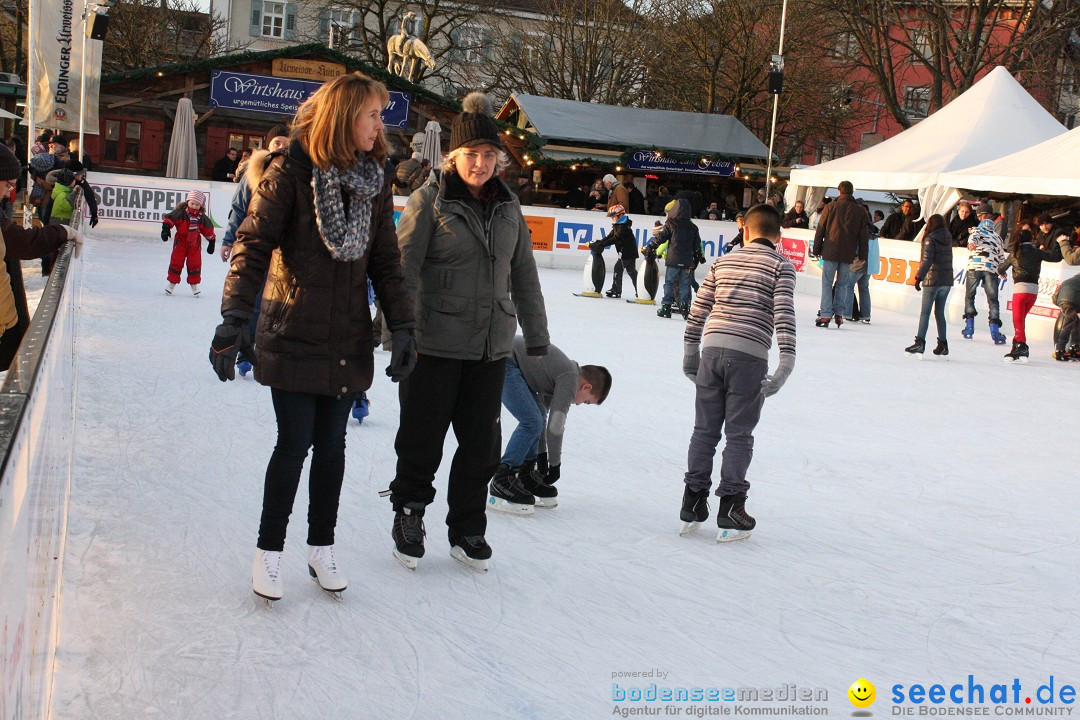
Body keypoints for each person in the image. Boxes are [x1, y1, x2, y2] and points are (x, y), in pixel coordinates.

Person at [210, 72, 416, 605]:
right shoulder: (289, 172)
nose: (380, 124)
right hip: (294, 327)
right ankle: (268, 552)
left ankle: (320, 546)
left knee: (333, 448)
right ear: (345, 116)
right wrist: (235, 318)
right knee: (294, 444)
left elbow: (386, 261)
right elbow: (251, 247)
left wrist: (404, 325)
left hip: (346, 335)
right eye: (372, 114)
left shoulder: (375, 179)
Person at [387, 91, 549, 573]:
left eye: (488, 155)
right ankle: (410, 514)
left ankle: (467, 527)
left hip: (490, 347)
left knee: (481, 446)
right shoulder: (427, 201)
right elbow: (403, 268)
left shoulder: (509, 207)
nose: (480, 163)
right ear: (452, 156)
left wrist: (536, 334)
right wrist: (398, 332)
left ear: (499, 159)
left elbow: (524, 274)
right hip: (433, 343)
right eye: (471, 155)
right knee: (422, 439)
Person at [680, 203, 796, 542]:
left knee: (704, 432)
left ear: (746, 229)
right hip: (749, 357)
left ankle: (692, 501)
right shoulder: (781, 266)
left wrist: (691, 354)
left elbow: (697, 310)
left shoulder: (722, 261)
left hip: (712, 352)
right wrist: (786, 363)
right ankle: (731, 505)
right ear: (779, 235)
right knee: (739, 435)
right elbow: (784, 315)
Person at [491, 336, 610, 512]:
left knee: (537, 417)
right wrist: (555, 464)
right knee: (531, 422)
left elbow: (544, 417)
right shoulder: (569, 378)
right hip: (504, 360)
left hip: (511, 361)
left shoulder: (558, 375)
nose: (578, 404)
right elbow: (556, 425)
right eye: (586, 402)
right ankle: (503, 477)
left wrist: (541, 455)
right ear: (587, 388)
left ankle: (525, 473)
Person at [0, 144, 82, 370]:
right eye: (8, 185)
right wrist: (60, 231)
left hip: (5, 323)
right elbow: (22, 243)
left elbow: (19, 242)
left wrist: (61, 232)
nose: (9, 192)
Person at [219, 124, 291, 377]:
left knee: (278, 303)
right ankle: (245, 348)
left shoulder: (294, 173)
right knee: (254, 300)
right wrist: (229, 241)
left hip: (282, 252)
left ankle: (268, 349)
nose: (281, 147)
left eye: (285, 143)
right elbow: (238, 210)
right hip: (255, 246)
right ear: (268, 146)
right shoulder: (254, 172)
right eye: (276, 143)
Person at [997, 219, 1061, 362]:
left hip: (1020, 291)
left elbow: (1000, 268)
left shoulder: (1015, 253)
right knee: (1020, 320)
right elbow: (1056, 257)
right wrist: (1059, 243)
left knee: (1017, 320)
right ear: (1031, 239)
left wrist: (1002, 272)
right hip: (1033, 291)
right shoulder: (1037, 252)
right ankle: (1016, 346)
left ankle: (1021, 346)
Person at [811, 180, 868, 328]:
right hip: (848, 253)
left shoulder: (831, 207)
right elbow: (863, 235)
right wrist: (863, 255)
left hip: (830, 250)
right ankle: (839, 314)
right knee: (842, 284)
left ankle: (825, 315)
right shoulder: (860, 210)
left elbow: (821, 230)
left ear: (839, 191)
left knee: (827, 283)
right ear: (852, 192)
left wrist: (816, 249)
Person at [904, 214, 954, 357]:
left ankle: (920, 342)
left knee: (925, 312)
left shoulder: (930, 239)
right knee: (939, 313)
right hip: (946, 280)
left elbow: (927, 260)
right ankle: (943, 344)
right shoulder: (948, 237)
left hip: (933, 280)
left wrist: (918, 277)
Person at [644, 198, 700, 319]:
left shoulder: (671, 224)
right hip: (687, 261)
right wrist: (697, 258)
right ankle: (685, 307)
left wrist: (650, 246)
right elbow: (697, 245)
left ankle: (666, 307)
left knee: (669, 283)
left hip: (673, 260)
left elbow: (661, 238)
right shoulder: (693, 227)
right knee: (685, 284)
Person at [961, 203, 1008, 343]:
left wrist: (971, 245)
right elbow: (1001, 257)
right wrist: (1002, 271)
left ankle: (969, 327)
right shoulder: (998, 238)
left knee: (970, 296)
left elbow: (972, 240)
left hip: (974, 268)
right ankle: (995, 331)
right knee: (993, 300)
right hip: (990, 270)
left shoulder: (977, 230)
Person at [161, 190, 215, 296]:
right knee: (176, 261)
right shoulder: (181, 213)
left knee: (194, 263)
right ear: (187, 202)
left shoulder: (202, 218)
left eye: (197, 204)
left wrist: (211, 241)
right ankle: (171, 284)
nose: (194, 206)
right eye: (192, 203)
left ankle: (194, 285)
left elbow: (208, 229)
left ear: (201, 205)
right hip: (180, 242)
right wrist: (165, 229)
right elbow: (169, 219)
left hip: (194, 244)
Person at [590, 204, 638, 298]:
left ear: (620, 215)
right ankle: (640, 289)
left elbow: (615, 239)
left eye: (613, 216)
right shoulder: (618, 225)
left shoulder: (623, 227)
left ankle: (616, 290)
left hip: (627, 253)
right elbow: (609, 236)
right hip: (627, 253)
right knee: (631, 272)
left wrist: (602, 244)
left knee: (618, 269)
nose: (612, 218)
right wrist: (600, 242)